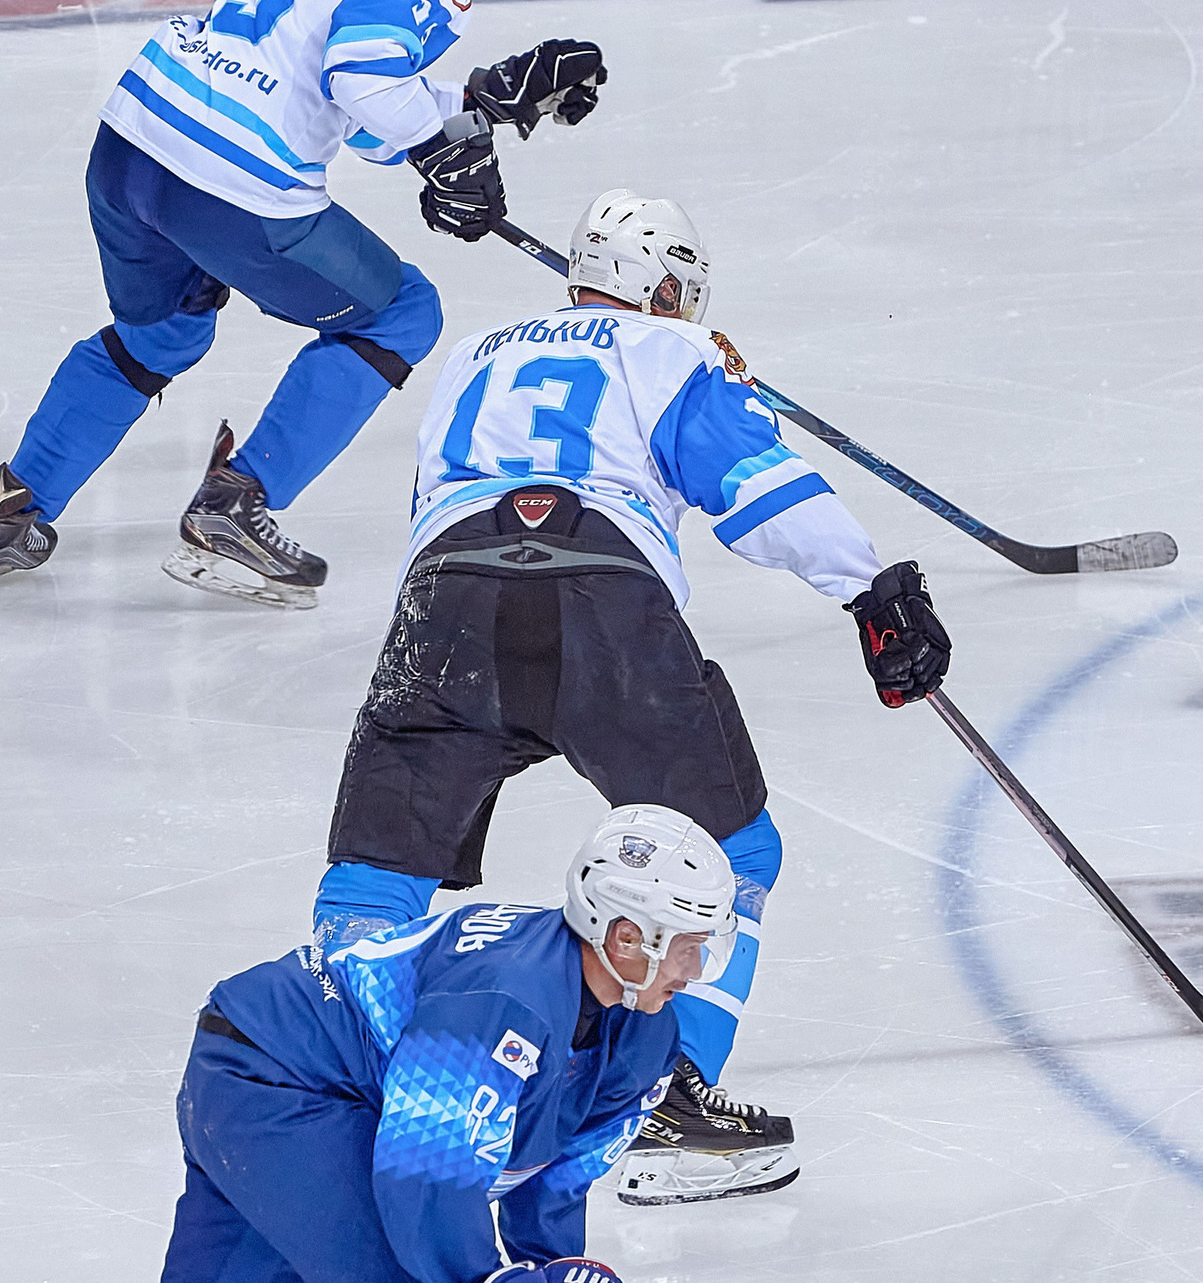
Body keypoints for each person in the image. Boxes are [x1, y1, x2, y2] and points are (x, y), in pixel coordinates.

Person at [306, 189, 955, 1205]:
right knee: (736, 851)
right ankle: (664, 1098)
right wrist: (869, 591)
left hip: (444, 600)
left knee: (376, 867)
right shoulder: (671, 353)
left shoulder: (475, 354)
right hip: (599, 596)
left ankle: (340, 1092)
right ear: (664, 289)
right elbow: (757, 485)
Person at [0, 0, 608, 609]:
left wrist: (475, 108)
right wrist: (446, 153)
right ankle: (236, 507)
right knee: (401, 315)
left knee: (162, 333)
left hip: (132, 145)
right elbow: (363, 81)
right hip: (232, 183)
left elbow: (345, 101)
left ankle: (13, 513)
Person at [160, 804, 733, 1283]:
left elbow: (557, 1178)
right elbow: (427, 1169)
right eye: (685, 945)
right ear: (626, 936)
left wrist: (551, 1268)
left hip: (309, 1079)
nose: (696, 967)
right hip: (279, 1075)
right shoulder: (505, 997)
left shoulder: (647, 1032)